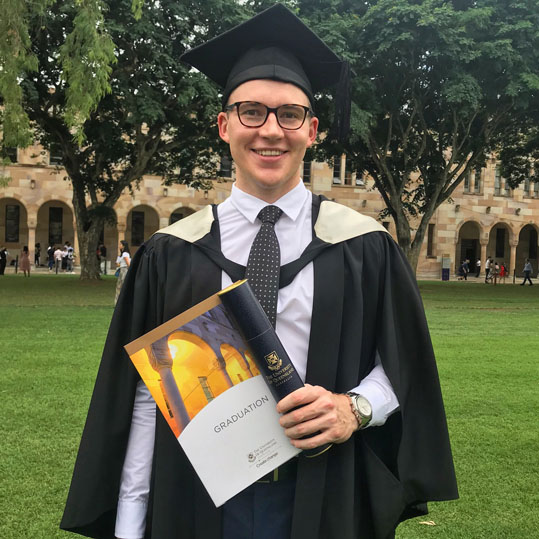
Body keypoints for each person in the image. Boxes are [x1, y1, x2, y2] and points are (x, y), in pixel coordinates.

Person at [61, 5, 457, 539]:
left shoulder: (364, 247)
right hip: (198, 499)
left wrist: (353, 409)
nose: (271, 131)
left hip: (325, 493)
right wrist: (131, 527)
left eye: (289, 114)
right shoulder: (171, 253)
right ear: (224, 125)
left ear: (312, 130)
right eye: (251, 111)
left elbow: (403, 365)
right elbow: (144, 401)